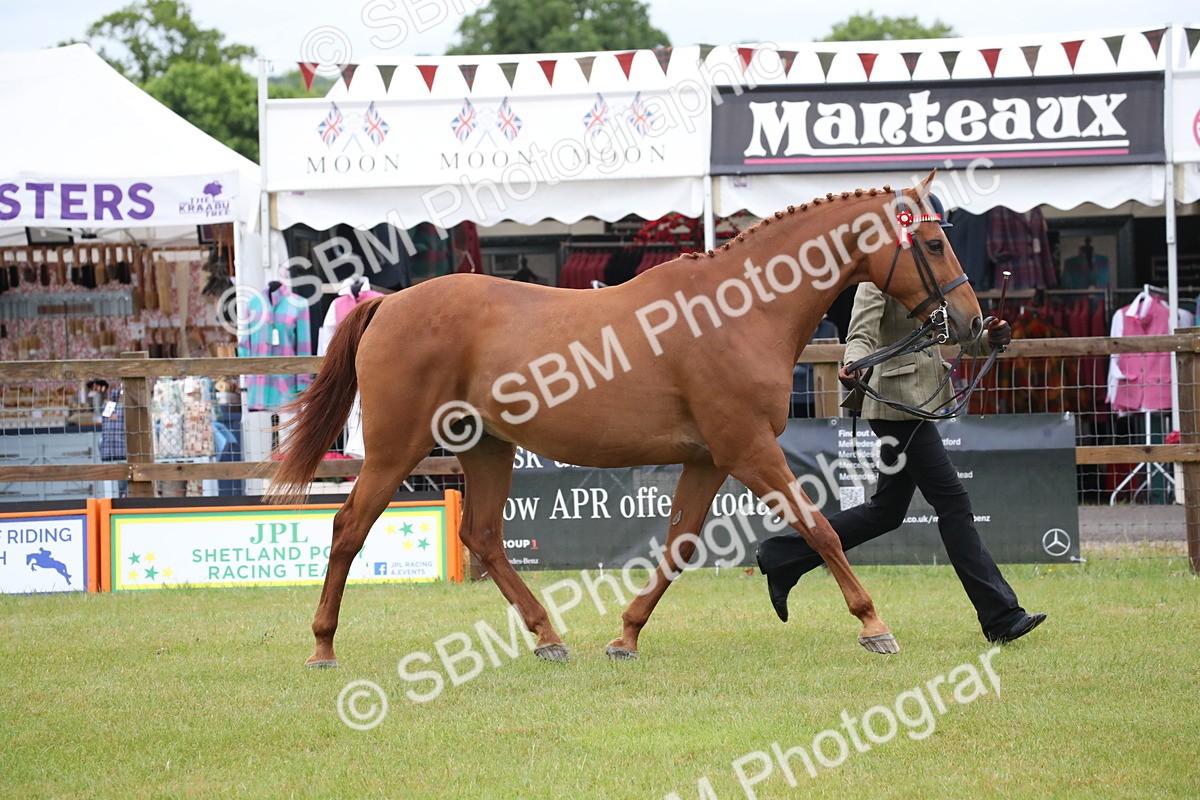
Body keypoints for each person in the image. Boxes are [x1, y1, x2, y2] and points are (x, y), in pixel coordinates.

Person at [756, 211, 1046, 645]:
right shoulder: (880, 279)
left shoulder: (927, 279)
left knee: (886, 512)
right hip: (894, 406)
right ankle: (1001, 615)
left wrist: (989, 338)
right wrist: (852, 361)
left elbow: (952, 334)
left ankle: (783, 555)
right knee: (954, 503)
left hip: (916, 403)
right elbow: (860, 334)